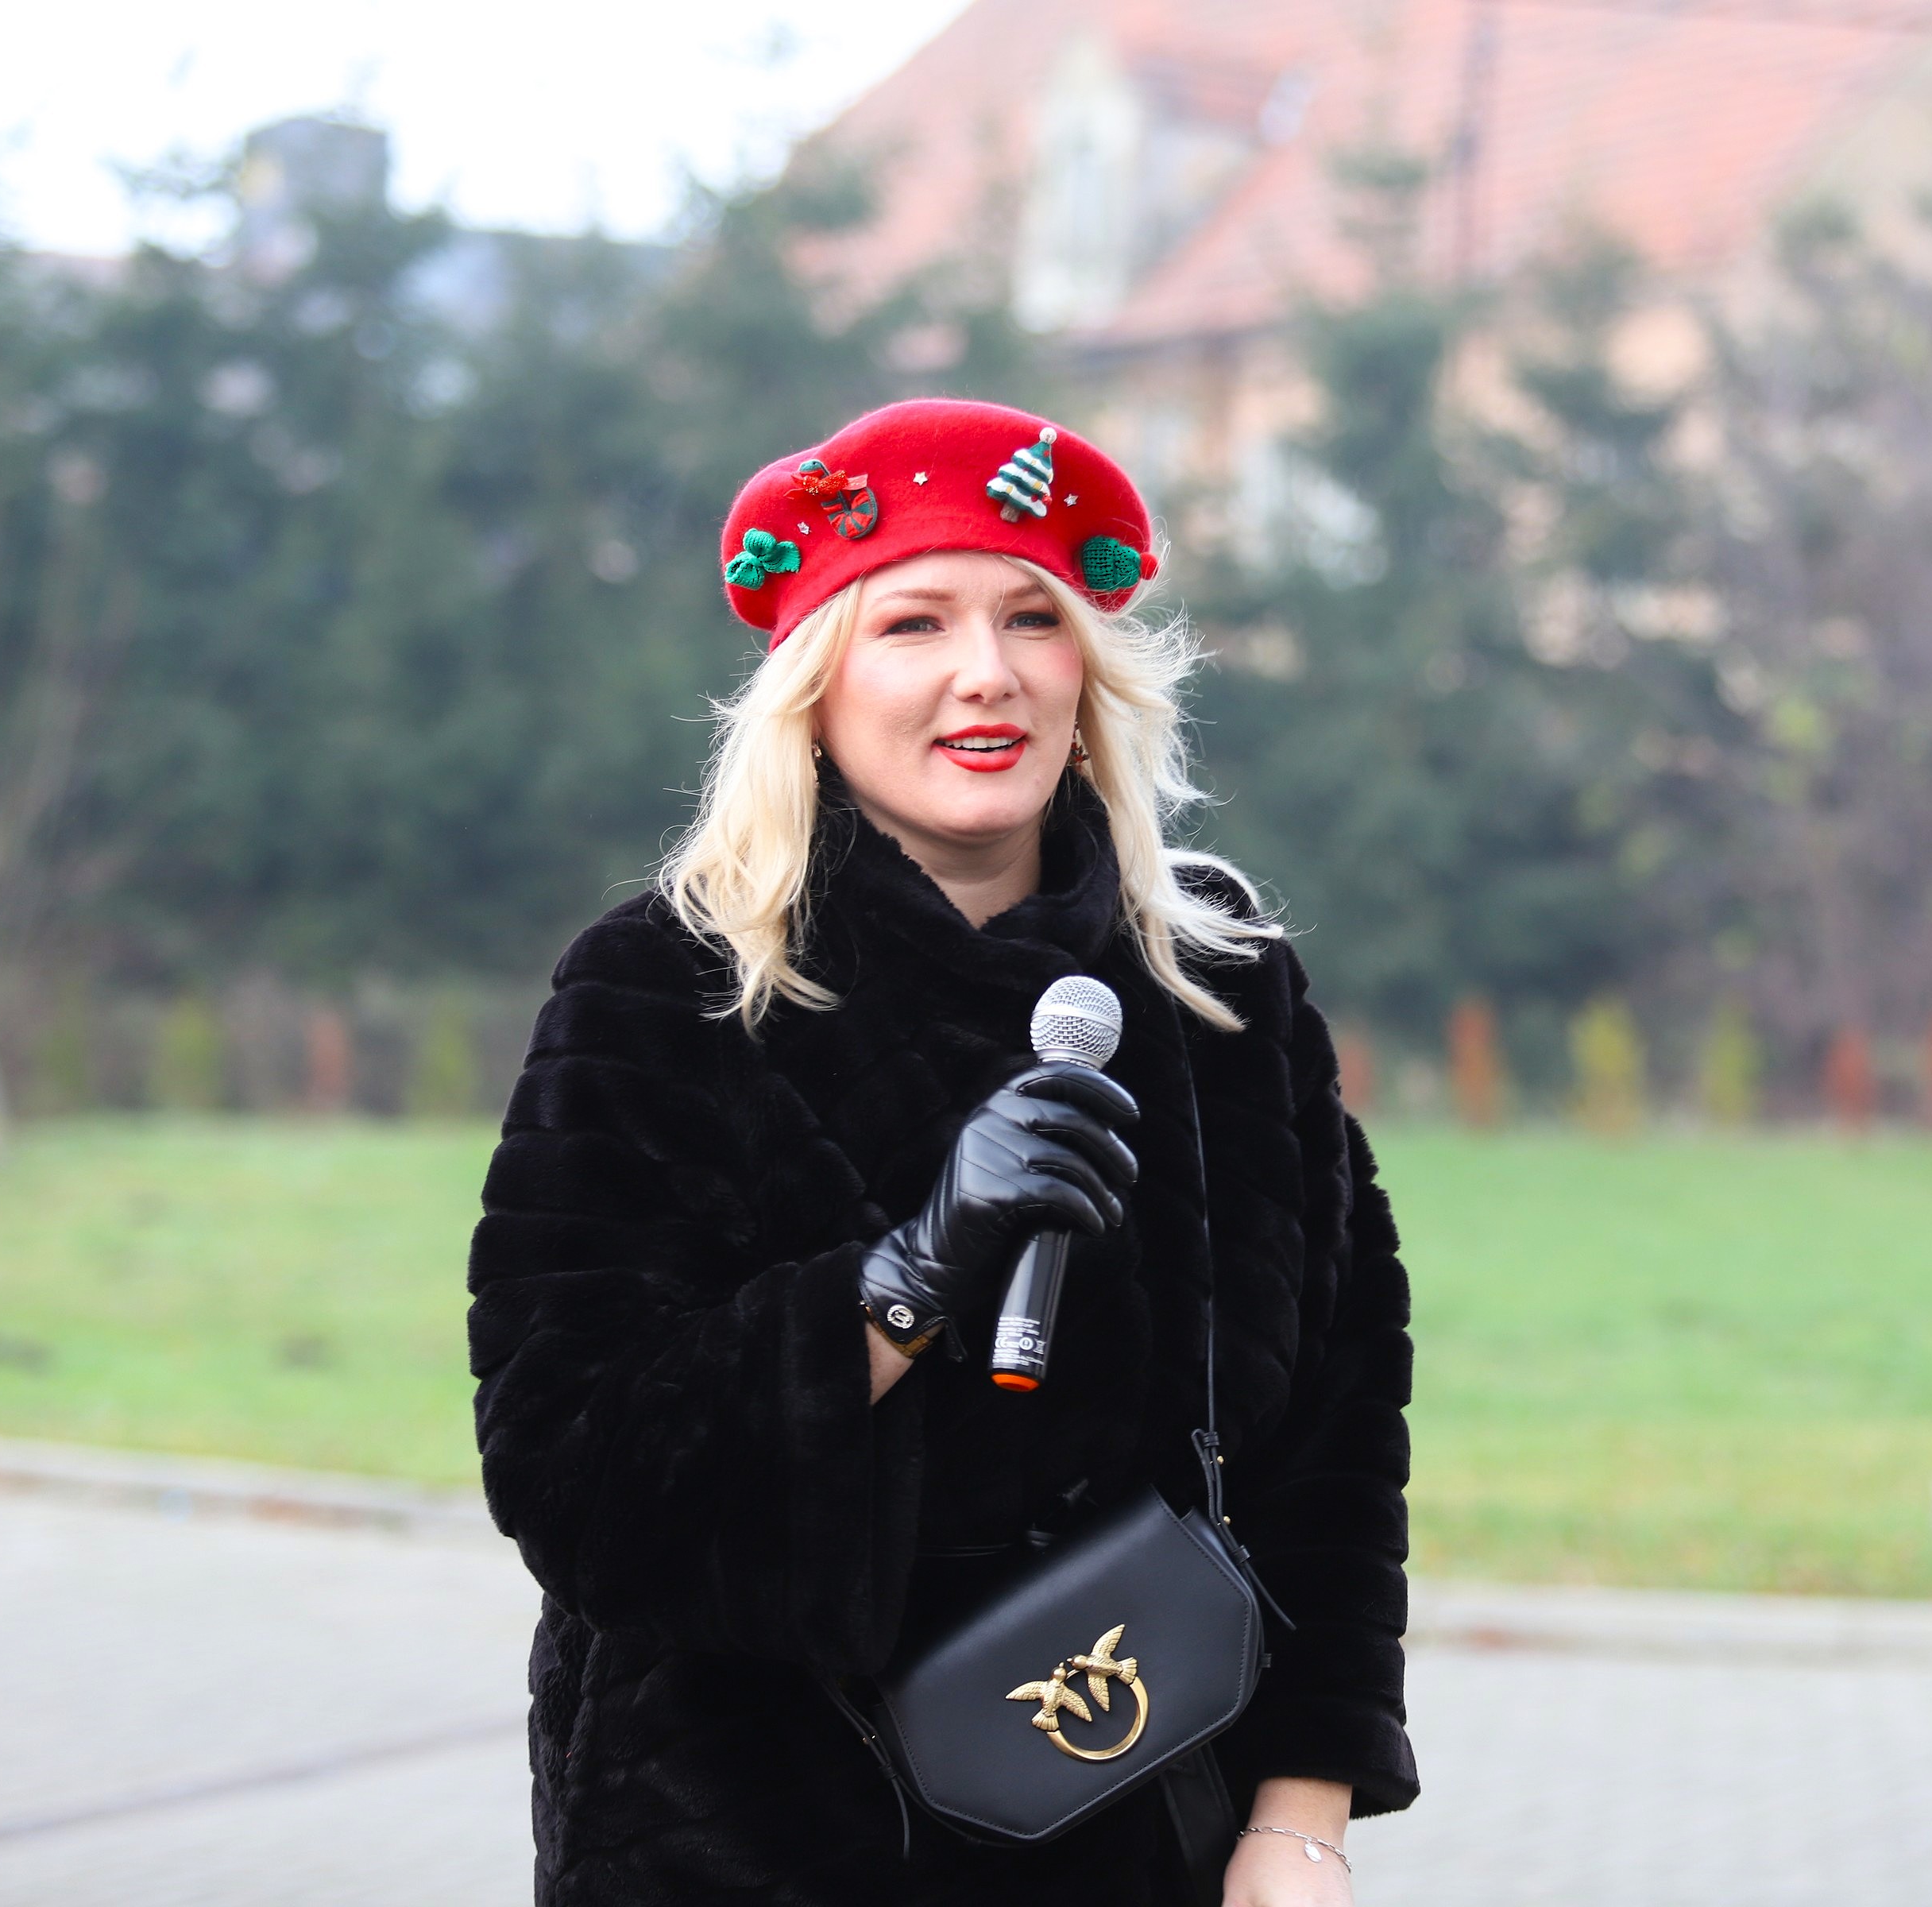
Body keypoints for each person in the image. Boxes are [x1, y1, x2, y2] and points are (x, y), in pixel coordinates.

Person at [469, 399, 1416, 1905]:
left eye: (1033, 618)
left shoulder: (1219, 990)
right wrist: (906, 1279)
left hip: (1146, 1819)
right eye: (914, 622)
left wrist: (1302, 1819)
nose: (989, 673)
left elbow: (1336, 1437)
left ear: (1088, 672)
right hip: (750, 1833)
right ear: (816, 686)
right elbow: (580, 1482)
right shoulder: (665, 989)